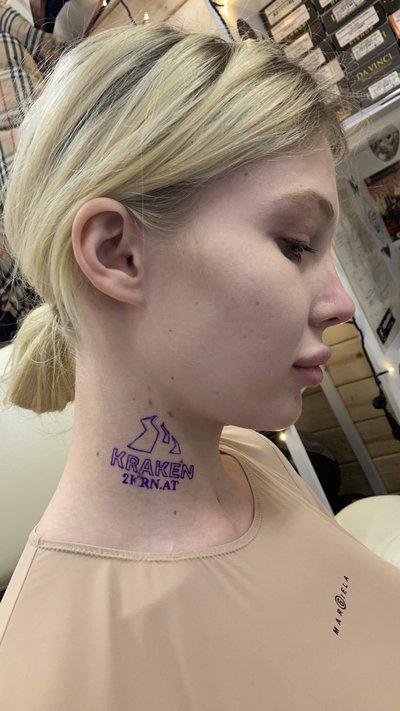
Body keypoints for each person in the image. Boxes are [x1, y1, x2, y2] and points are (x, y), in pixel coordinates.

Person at [0, 23, 399, 711]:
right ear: (119, 254)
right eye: (295, 243)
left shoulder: (252, 457)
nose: (339, 302)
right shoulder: (51, 676)